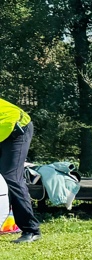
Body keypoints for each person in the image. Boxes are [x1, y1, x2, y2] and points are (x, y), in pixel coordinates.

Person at [0, 96, 40, 244]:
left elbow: (8, 122)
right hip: (4, 131)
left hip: (17, 130)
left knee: (11, 177)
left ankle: (31, 230)